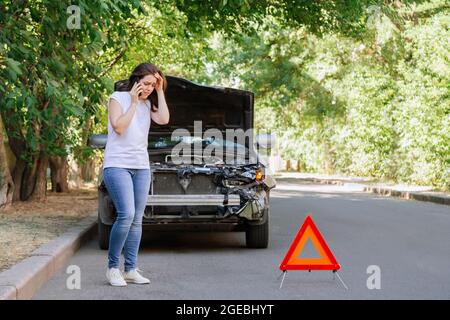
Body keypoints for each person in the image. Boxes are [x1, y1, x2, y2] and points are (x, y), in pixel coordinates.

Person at [102, 62, 170, 286]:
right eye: (147, 83)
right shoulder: (118, 98)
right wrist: (133, 102)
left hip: (141, 166)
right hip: (117, 165)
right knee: (127, 214)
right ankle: (113, 268)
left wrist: (160, 91)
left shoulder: (149, 104)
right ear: (136, 79)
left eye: (154, 84)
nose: (149, 88)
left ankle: (130, 269)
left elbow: (164, 119)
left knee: (137, 219)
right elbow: (119, 127)